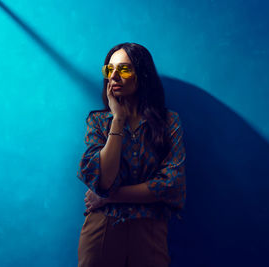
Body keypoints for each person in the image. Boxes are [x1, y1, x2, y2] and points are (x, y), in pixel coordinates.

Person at [76, 42, 186, 267]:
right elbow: (104, 181)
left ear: (142, 75)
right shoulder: (97, 121)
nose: (114, 76)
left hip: (150, 229)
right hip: (103, 227)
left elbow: (171, 185)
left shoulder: (168, 123)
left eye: (124, 69)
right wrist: (117, 119)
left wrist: (108, 197)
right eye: (109, 69)